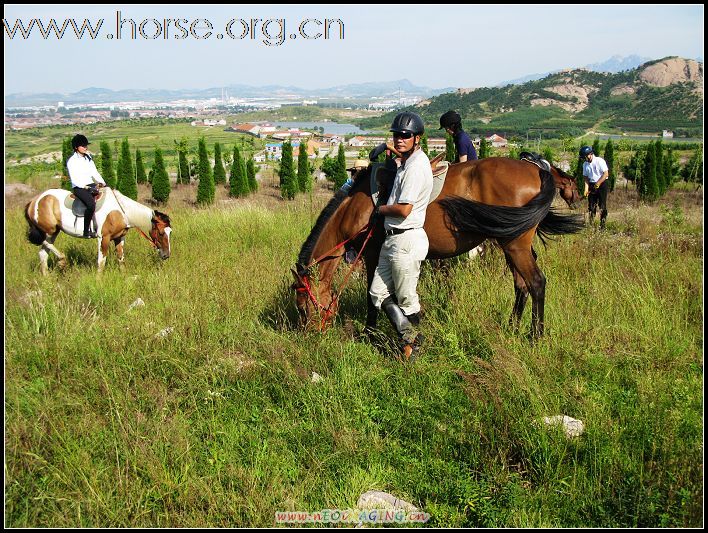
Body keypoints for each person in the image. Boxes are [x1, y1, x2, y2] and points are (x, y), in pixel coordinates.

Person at [369, 112, 433, 360]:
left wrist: (379, 209)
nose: (399, 139)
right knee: (377, 292)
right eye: (396, 135)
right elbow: (399, 154)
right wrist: (389, 151)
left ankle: (414, 348)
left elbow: (404, 209)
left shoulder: (416, 168)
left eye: (405, 135)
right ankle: (409, 334)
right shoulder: (407, 161)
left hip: (406, 240)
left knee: (407, 300)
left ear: (417, 138)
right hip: (392, 239)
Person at [66, 134, 106, 238]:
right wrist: (86, 187)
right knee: (91, 204)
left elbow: (95, 173)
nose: (85, 147)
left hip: (91, 185)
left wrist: (103, 183)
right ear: (76, 147)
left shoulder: (88, 159)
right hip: (79, 188)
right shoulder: (72, 161)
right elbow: (75, 180)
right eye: (83, 146)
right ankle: (86, 231)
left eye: (86, 145)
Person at [580, 145, 609, 229]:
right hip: (592, 185)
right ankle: (591, 224)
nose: (584, 158)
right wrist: (586, 189)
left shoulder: (600, 161)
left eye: (584, 156)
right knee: (591, 206)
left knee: (602, 206)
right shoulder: (585, 164)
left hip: (602, 184)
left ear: (590, 154)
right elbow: (586, 178)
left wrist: (598, 183)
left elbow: (606, 174)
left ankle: (602, 225)